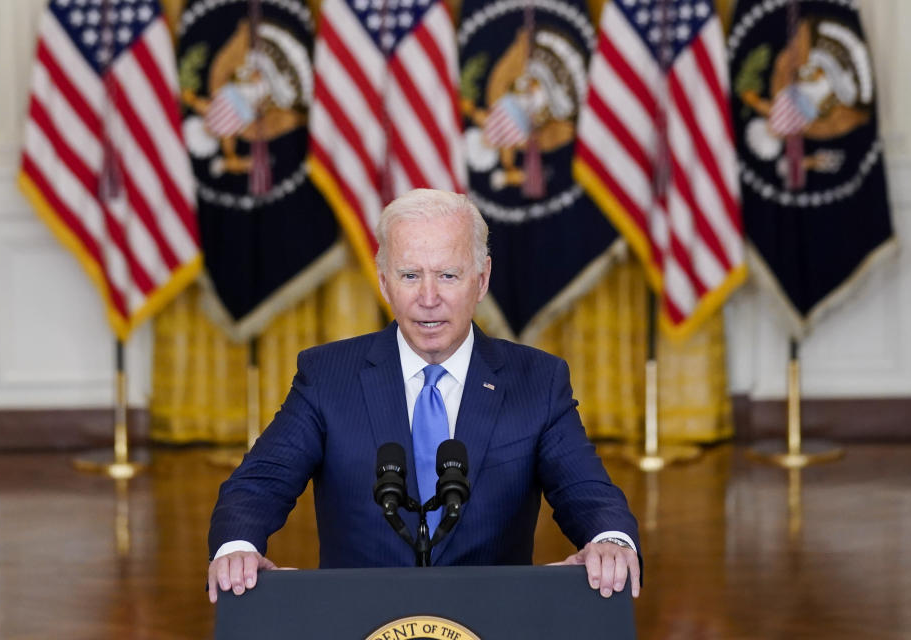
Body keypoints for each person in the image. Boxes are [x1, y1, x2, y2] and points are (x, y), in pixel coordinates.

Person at [207, 189, 641, 602]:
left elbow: (587, 490)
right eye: (410, 275)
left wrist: (609, 540)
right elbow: (259, 484)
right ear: (383, 282)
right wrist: (237, 548)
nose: (428, 298)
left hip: (491, 617)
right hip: (362, 618)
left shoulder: (537, 380)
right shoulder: (327, 376)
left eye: (448, 275)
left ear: (482, 278)